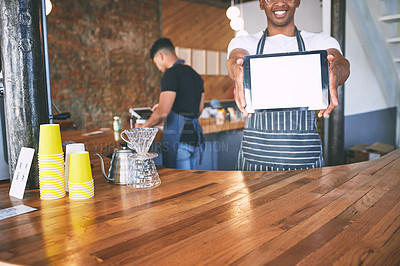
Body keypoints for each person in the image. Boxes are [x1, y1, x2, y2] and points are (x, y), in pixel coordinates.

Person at [227, 0, 350, 171]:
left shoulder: (318, 42)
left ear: (298, 2)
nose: (280, 3)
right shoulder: (246, 42)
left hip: (304, 161)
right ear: (262, 3)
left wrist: (335, 71)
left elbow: (340, 61)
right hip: (254, 162)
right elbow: (235, 59)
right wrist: (237, 69)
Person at [136, 38, 205, 170]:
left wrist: (143, 127)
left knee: (179, 187)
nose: (158, 67)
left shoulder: (170, 74)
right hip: (194, 138)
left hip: (179, 142)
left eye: (156, 63)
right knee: (191, 185)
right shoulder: (195, 75)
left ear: (160, 56)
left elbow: (162, 112)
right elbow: (199, 109)